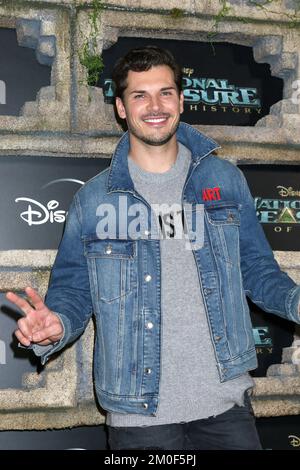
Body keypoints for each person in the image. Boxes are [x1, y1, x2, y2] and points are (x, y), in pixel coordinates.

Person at [6, 46, 300, 450]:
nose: (155, 106)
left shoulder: (225, 179)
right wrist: (55, 325)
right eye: (139, 95)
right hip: (138, 416)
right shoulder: (94, 200)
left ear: (181, 100)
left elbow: (258, 271)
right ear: (121, 109)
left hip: (226, 407)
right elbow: (73, 292)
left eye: (165, 92)